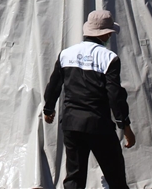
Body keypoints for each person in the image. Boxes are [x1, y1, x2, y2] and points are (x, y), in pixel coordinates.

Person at [43, 10, 136, 189]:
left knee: (74, 177)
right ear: (107, 34)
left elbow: (54, 85)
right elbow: (115, 95)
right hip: (98, 124)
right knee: (115, 175)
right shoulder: (109, 58)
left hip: (71, 123)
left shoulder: (66, 54)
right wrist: (124, 125)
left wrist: (49, 109)